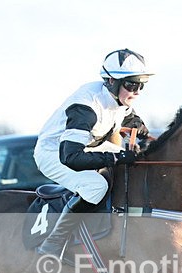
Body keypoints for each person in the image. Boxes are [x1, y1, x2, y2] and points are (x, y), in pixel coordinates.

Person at [33, 48, 152, 259]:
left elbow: (126, 116)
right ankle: (53, 243)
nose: (137, 91)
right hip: (55, 152)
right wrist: (116, 158)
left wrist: (141, 129)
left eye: (142, 84)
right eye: (132, 84)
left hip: (86, 146)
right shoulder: (85, 107)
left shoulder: (117, 97)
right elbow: (72, 158)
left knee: (139, 161)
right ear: (110, 82)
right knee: (96, 185)